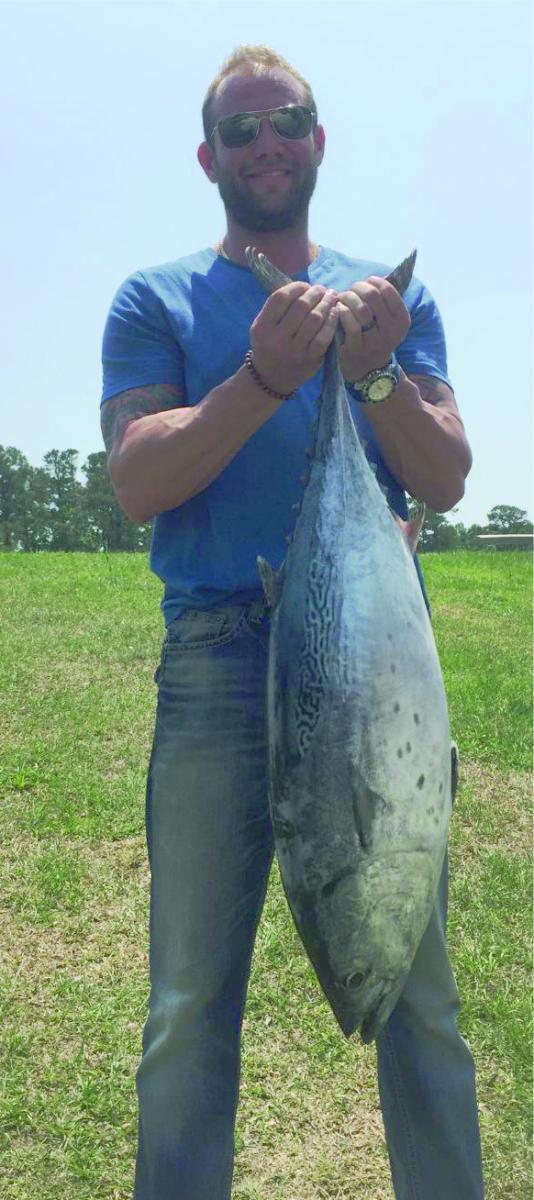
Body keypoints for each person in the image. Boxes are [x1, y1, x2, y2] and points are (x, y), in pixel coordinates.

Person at [100, 44, 485, 1200]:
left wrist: (373, 379)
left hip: (374, 663)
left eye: (287, 122)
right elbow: (136, 480)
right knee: (187, 1002)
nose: (264, 144)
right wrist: (264, 378)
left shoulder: (390, 299)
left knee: (421, 1002)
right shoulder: (154, 300)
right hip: (219, 663)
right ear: (208, 157)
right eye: (240, 131)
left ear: (319, 140)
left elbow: (450, 474)